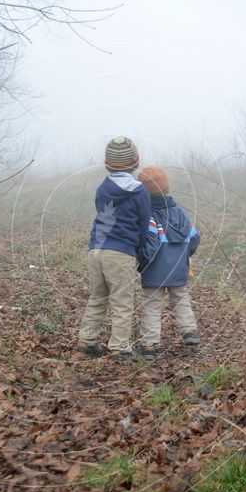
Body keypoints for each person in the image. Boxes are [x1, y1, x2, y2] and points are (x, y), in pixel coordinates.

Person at [78, 136, 151, 358]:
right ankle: (119, 348)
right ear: (136, 160)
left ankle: (87, 340)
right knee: (122, 301)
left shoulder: (103, 188)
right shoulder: (140, 191)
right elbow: (142, 225)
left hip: (95, 250)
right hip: (120, 253)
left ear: (107, 163)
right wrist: (139, 252)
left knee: (97, 297)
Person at [136, 166, 201, 361]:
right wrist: (184, 255)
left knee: (152, 305)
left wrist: (142, 263)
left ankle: (149, 345)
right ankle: (189, 332)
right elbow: (194, 237)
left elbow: (150, 244)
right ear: (167, 188)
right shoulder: (179, 213)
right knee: (180, 300)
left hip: (155, 271)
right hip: (178, 269)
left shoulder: (148, 215)